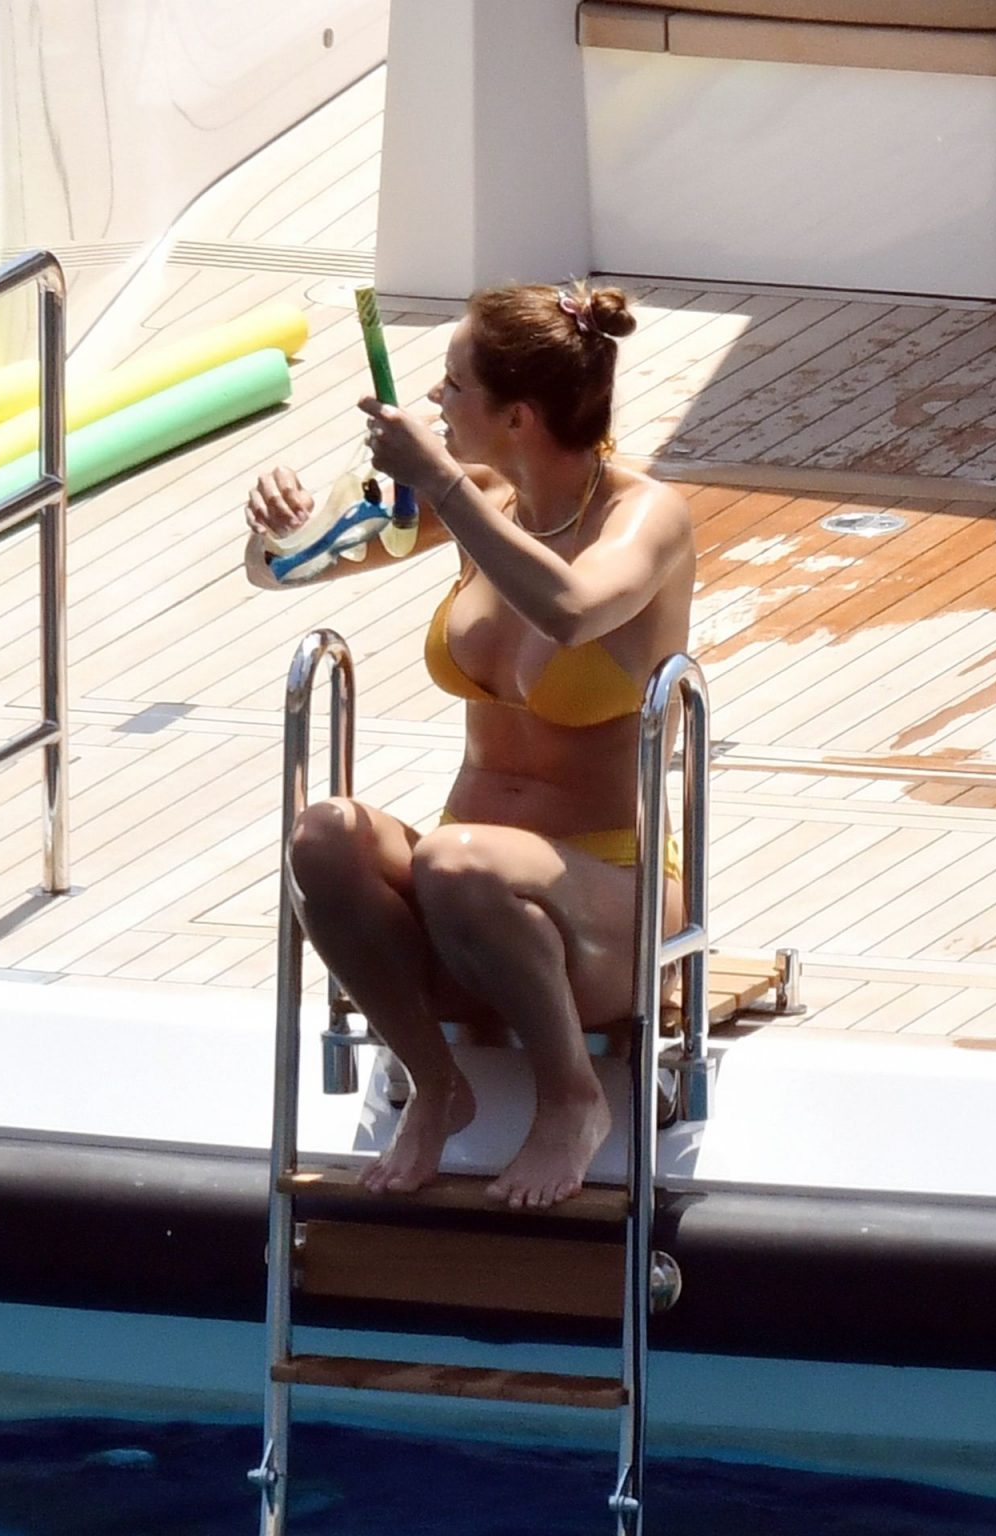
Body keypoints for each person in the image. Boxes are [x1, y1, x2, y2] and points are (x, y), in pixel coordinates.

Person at [244, 282, 695, 1210]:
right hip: (467, 899)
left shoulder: (645, 519)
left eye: (452, 385)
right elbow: (288, 568)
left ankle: (572, 1098)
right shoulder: (482, 498)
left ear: (518, 415)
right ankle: (436, 1085)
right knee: (324, 835)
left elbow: (572, 609)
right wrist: (281, 528)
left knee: (456, 860)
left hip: (607, 906)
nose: (432, 399)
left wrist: (444, 485)